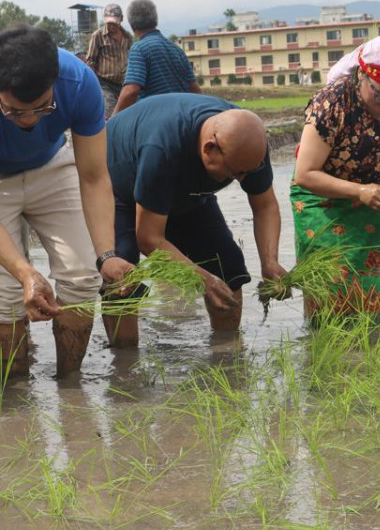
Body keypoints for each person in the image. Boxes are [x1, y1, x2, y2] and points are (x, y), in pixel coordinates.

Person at [0, 26, 133, 378]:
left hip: (54, 166)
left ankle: (70, 385)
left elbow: (93, 177)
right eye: (15, 112)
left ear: (54, 81)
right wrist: (26, 273)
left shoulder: (78, 82)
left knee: (82, 275)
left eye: (43, 107)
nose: (29, 120)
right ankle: (13, 395)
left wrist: (107, 254)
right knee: (5, 291)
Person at [106, 93, 286, 344]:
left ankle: (227, 355)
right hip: (117, 185)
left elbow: (265, 205)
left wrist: (270, 261)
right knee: (123, 277)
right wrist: (203, 279)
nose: (242, 180)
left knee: (227, 266)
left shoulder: (248, 143)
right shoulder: (162, 149)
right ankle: (124, 366)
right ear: (208, 148)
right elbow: (148, 238)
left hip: (187, 190)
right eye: (235, 173)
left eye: (247, 172)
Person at [290, 34, 380, 318]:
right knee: (334, 295)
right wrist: (360, 191)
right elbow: (305, 174)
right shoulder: (332, 103)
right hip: (324, 203)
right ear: (362, 76)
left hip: (377, 205)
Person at [112, 0, 200, 115]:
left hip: (158, 119)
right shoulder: (177, 49)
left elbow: (131, 91)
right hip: (184, 117)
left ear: (133, 26)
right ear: (155, 21)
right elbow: (194, 88)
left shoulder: (139, 48)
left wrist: (114, 120)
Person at [84, 3, 132, 116]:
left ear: (121, 19)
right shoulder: (98, 36)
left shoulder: (127, 36)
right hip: (105, 84)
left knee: (127, 113)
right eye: (108, 23)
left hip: (124, 84)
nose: (111, 26)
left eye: (114, 23)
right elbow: (90, 61)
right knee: (111, 113)